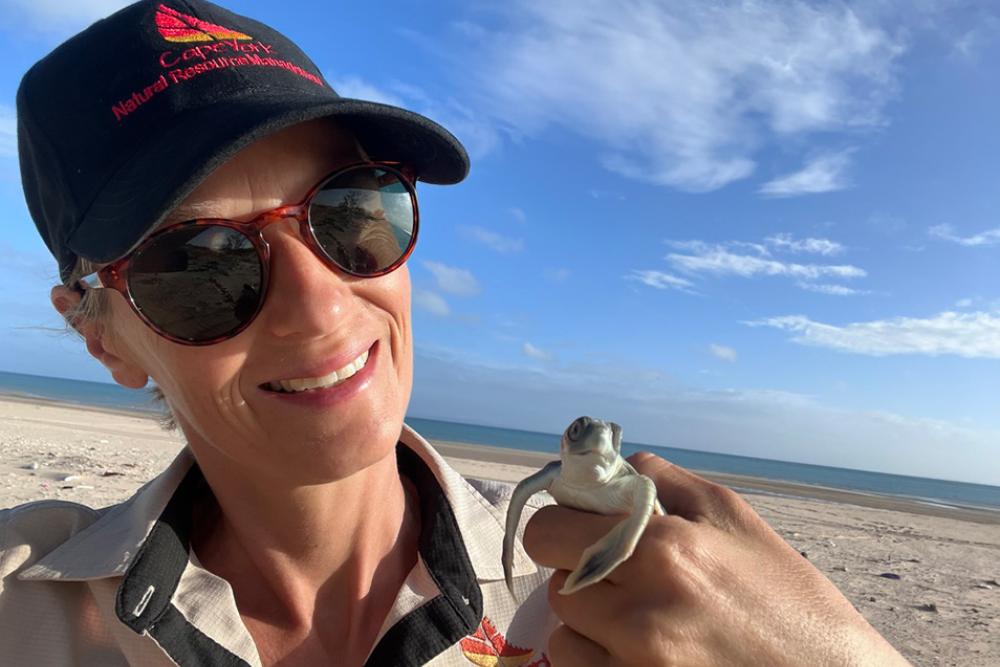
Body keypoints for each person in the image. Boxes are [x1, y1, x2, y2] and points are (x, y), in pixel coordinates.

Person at [0, 1, 912, 665]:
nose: (319, 305)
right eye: (199, 265)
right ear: (103, 337)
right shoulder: (19, 604)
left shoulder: (636, 603)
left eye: (351, 212)